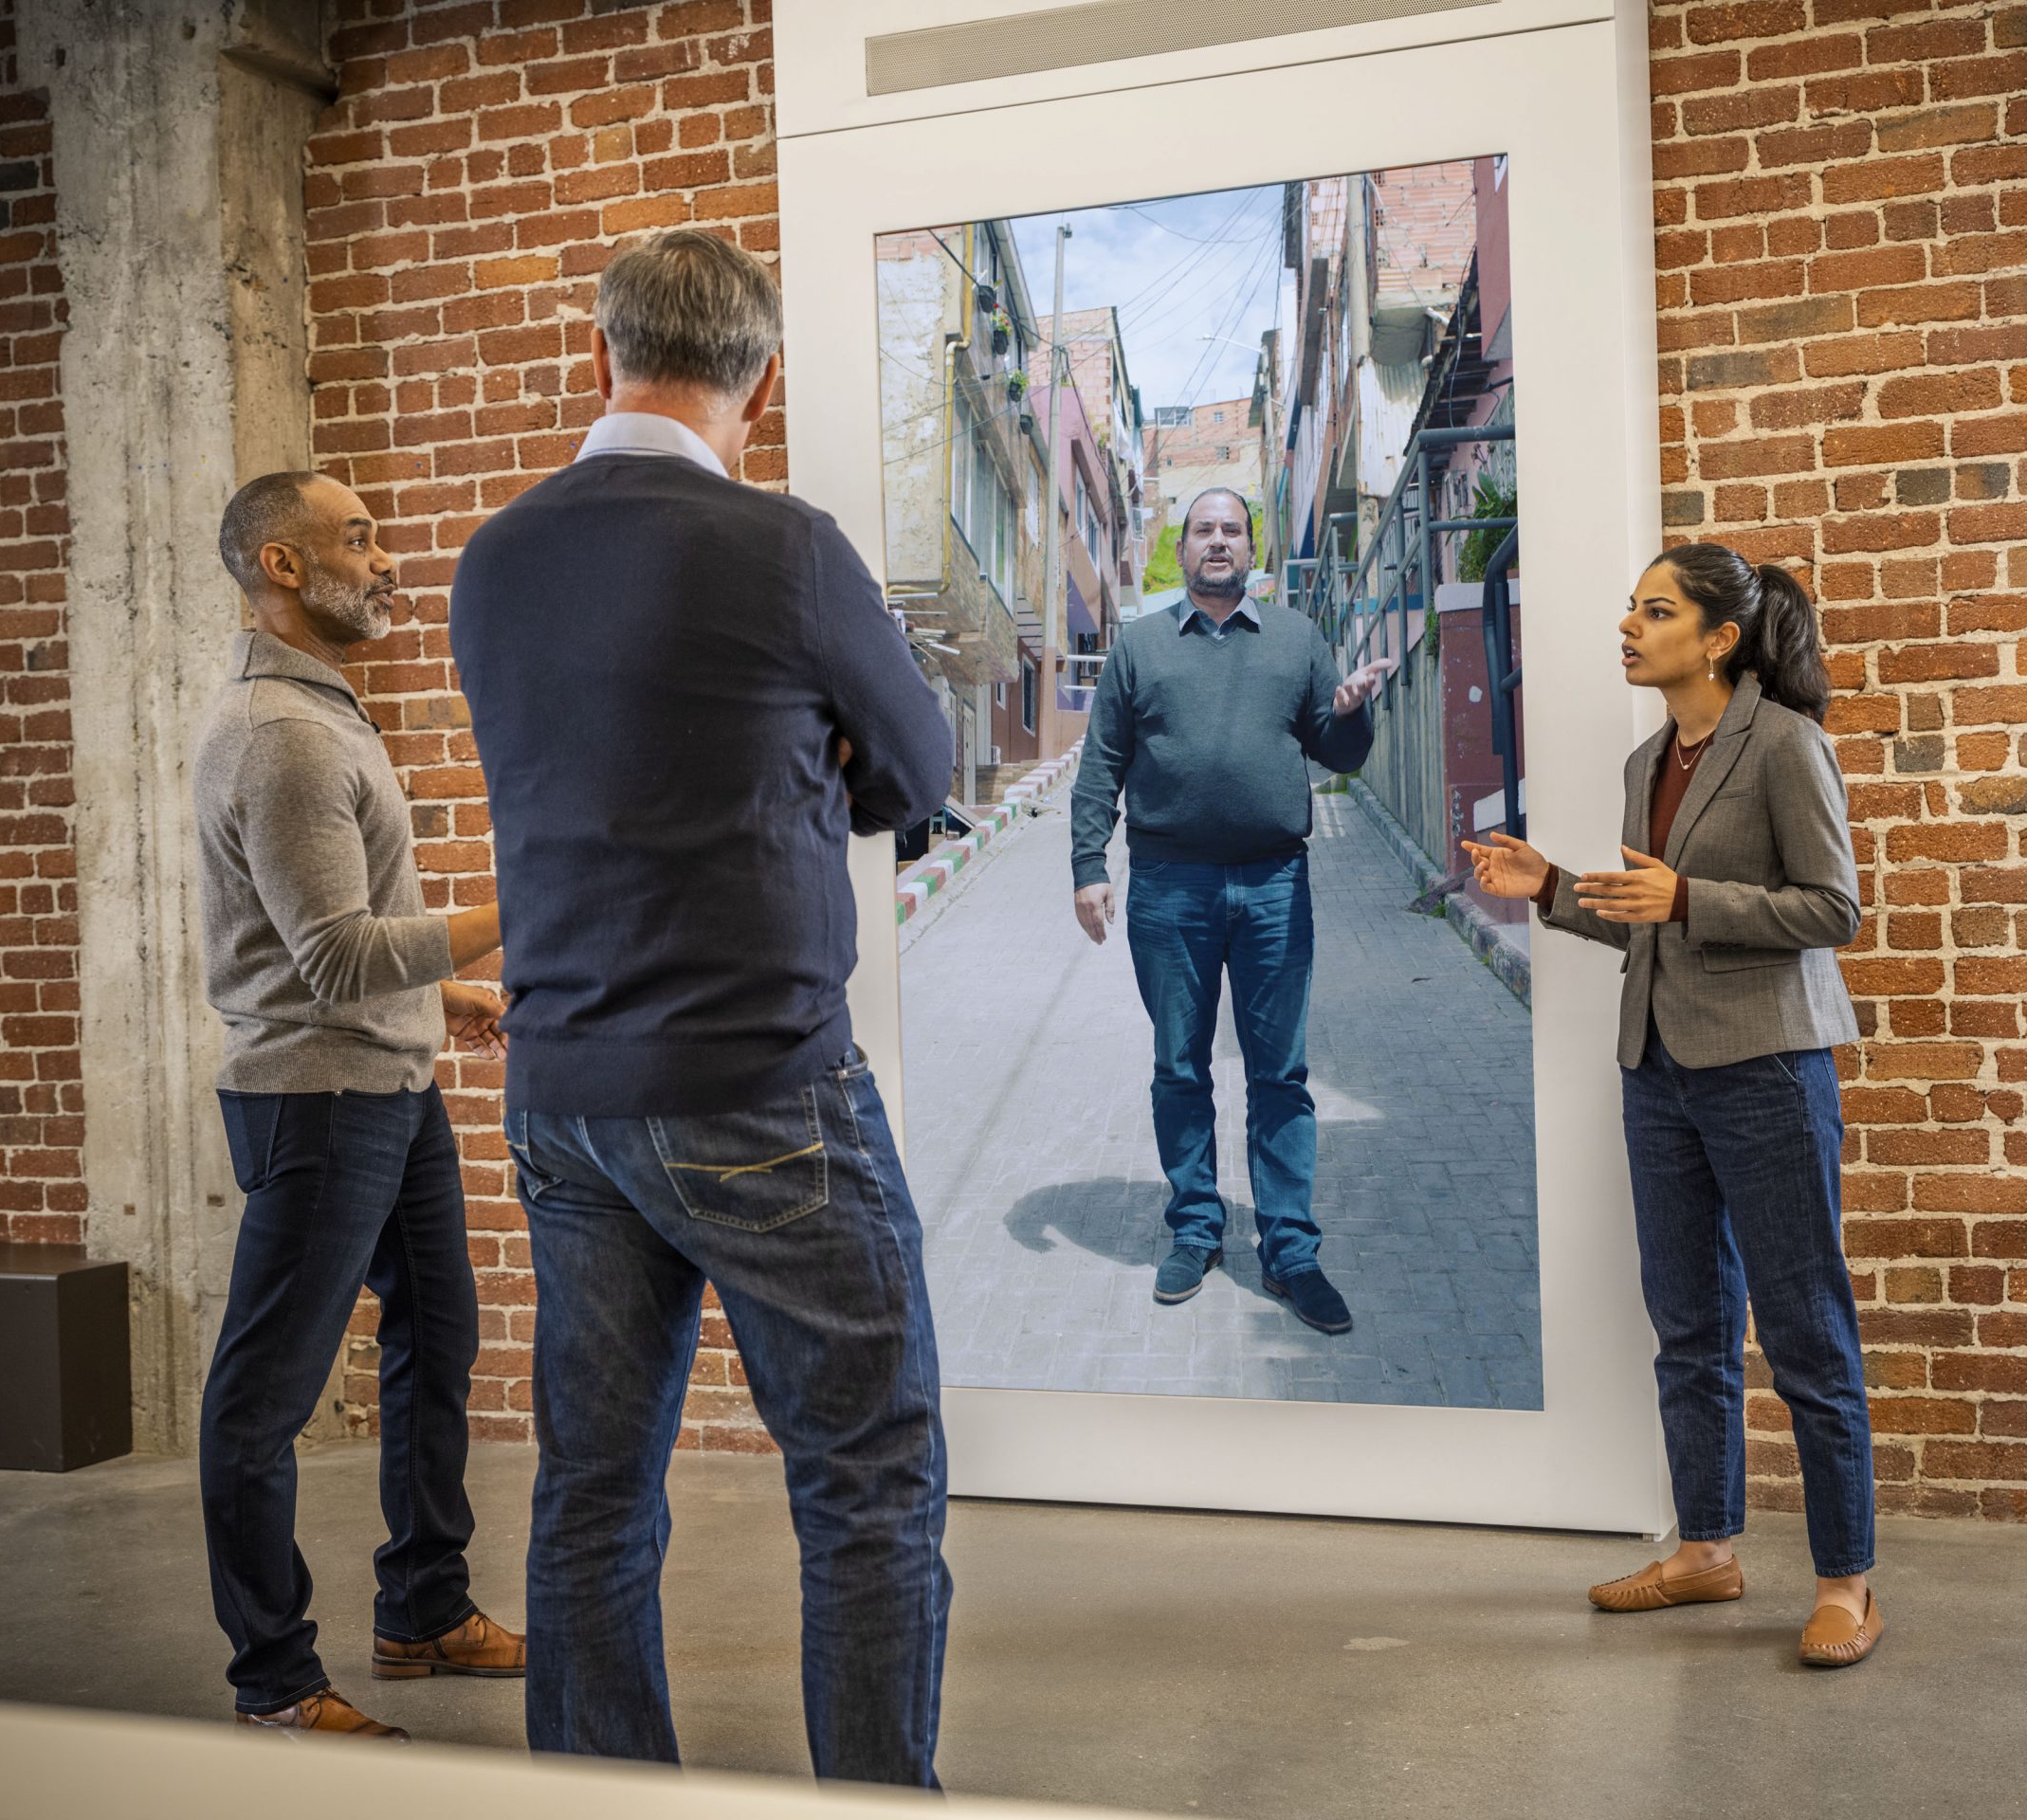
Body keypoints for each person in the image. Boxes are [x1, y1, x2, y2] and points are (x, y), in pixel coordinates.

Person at [449, 228, 957, 1780]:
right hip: (756, 1088)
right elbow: (924, 776)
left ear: (598, 356)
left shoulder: (497, 557)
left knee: (594, 1487)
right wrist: (823, 767)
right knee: (866, 1477)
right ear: (764, 379)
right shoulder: (781, 549)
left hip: (565, 1096)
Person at [1464, 541, 1879, 1667]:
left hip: (1766, 1070)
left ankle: (1846, 1582)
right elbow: (1651, 918)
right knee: (1688, 1329)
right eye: (1630, 609)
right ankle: (1707, 1549)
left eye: (1654, 612)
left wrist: (1691, 894)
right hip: (1659, 1070)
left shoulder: (1785, 745)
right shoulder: (1653, 757)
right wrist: (1549, 887)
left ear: (1718, 639)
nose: (1629, 628)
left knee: (1804, 1334)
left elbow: (1833, 909)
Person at [193, 471, 524, 1740]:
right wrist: (518, 919)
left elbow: (315, 940)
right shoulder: (281, 735)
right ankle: (274, 1679)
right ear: (281, 566)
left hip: (387, 1078)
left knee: (439, 1336)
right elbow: (330, 958)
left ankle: (424, 1608)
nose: (388, 560)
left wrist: (440, 1005)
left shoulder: (324, 717)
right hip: (320, 1099)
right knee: (260, 1401)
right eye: (360, 537)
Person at [1069, 488, 1397, 1336]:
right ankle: (1197, 1227)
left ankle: (1290, 1250)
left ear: (1252, 547)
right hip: (1169, 888)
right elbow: (1101, 764)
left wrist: (1353, 712)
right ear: (1183, 551)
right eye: (1204, 530)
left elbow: (1339, 754)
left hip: (1274, 887)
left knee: (1279, 1073)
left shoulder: (1294, 637)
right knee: (1180, 1066)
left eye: (1232, 530)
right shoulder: (1140, 647)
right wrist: (1086, 866)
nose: (1219, 542)